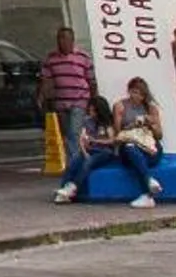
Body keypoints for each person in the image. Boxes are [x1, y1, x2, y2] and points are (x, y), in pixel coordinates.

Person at [54, 77, 166, 208]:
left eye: (140, 94)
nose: (137, 96)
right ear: (129, 91)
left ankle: (148, 187)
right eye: (134, 92)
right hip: (129, 146)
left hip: (149, 147)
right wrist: (132, 126)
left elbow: (159, 135)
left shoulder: (151, 109)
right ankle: (148, 186)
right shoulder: (120, 106)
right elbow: (118, 134)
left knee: (137, 155)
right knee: (129, 148)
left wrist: (151, 124)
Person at [37, 26, 96, 166]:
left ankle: (74, 163)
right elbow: (46, 79)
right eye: (60, 39)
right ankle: (78, 159)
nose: (63, 42)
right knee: (66, 132)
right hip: (61, 101)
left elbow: (91, 80)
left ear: (72, 40)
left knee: (74, 132)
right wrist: (41, 96)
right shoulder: (51, 58)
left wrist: (93, 101)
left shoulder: (83, 57)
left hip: (79, 99)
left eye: (67, 39)